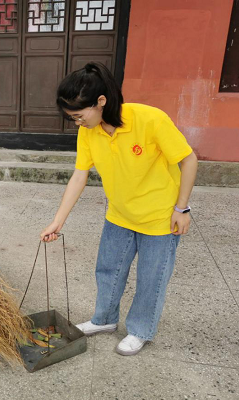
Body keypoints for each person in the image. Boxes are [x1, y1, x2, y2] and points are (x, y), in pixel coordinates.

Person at [40, 63, 198, 356]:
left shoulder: (149, 119)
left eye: (79, 115)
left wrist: (182, 208)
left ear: (101, 101)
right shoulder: (89, 131)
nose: (76, 123)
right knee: (108, 271)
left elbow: (188, 160)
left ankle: (140, 330)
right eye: (72, 117)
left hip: (160, 218)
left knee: (151, 280)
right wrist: (57, 221)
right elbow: (79, 175)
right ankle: (104, 320)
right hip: (119, 215)